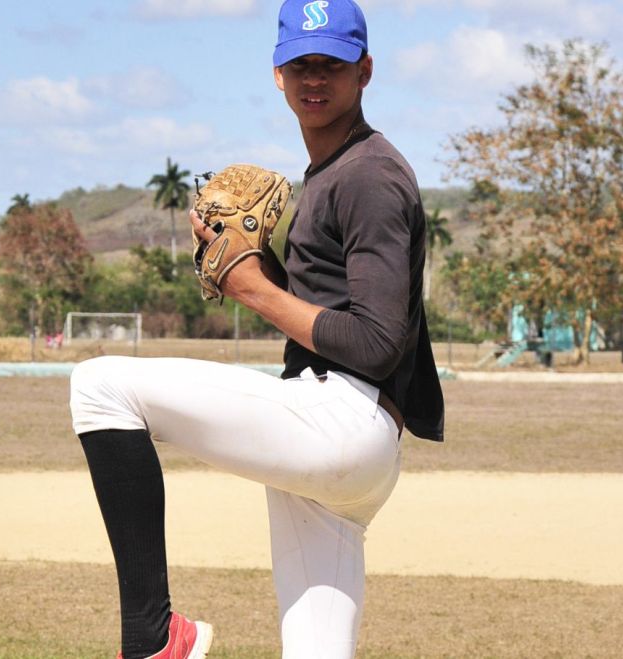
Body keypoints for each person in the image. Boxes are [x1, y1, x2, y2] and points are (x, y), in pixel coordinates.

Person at [69, 1, 444, 657]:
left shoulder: (370, 176)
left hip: (341, 417)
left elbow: (377, 342)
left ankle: (156, 635)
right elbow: (321, 309)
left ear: (366, 70)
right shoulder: (333, 171)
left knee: (100, 386)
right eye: (301, 63)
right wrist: (247, 258)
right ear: (277, 74)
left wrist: (255, 289)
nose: (315, 78)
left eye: (332, 63)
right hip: (339, 436)